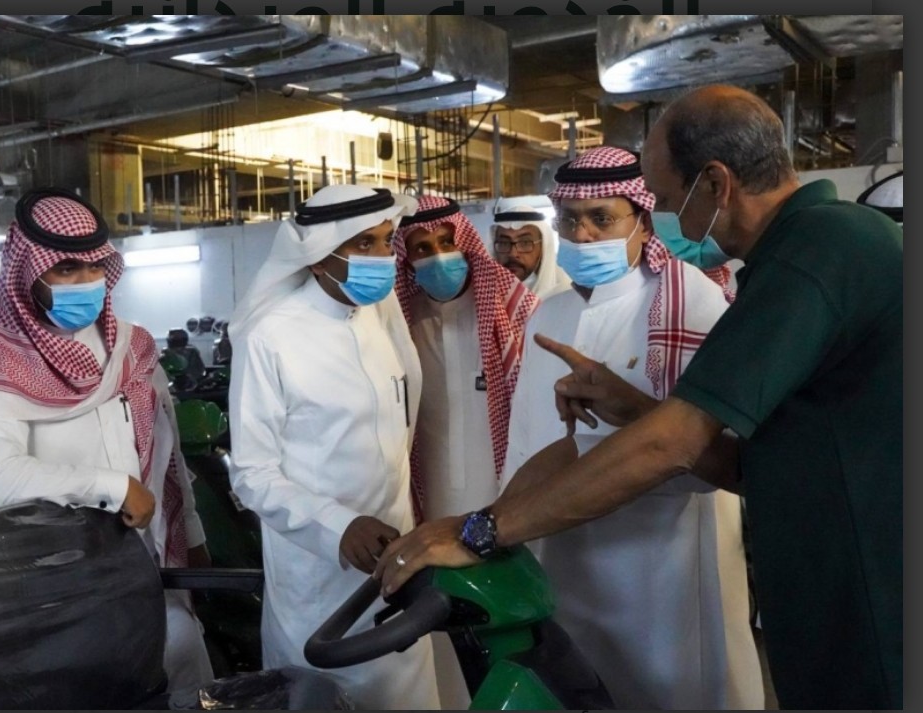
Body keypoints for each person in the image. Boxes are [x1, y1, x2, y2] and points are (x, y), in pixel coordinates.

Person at [375, 84, 902, 711]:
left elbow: (675, 444)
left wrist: (482, 532)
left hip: (848, 577)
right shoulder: (809, 249)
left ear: (715, 184)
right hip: (793, 568)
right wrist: (631, 410)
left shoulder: (810, 256)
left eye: (669, 200)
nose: (669, 218)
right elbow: (746, 459)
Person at [500, 145, 762, 709]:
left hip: (663, 554)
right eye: (570, 220)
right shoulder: (550, 311)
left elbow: (709, 447)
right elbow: (526, 435)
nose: (583, 235)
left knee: (668, 687)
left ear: (642, 221)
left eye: (602, 218)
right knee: (580, 680)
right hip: (564, 546)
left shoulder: (691, 301)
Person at [0, 187, 214, 695]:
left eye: (95, 267)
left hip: (152, 567)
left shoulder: (133, 347)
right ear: (29, 275)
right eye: (66, 269)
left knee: (186, 675)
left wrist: (191, 532)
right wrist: (111, 487)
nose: (86, 282)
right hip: (67, 587)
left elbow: (167, 453)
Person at [226, 184, 440, 710]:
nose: (381, 257)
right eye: (364, 243)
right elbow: (252, 473)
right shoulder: (270, 336)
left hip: (398, 563)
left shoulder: (380, 314)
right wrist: (338, 526)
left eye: (386, 241)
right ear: (319, 254)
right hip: (318, 580)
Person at [391, 195, 539, 709]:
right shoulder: (397, 326)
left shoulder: (511, 311)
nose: (438, 257)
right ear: (406, 259)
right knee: (440, 633)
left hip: (504, 500)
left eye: (447, 241)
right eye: (422, 248)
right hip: (428, 504)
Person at [490, 200, 571, 298]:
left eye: (525, 243)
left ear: (543, 248)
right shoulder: (487, 297)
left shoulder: (565, 295)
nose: (513, 253)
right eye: (504, 243)